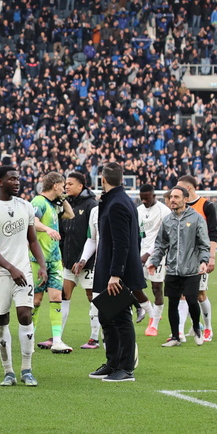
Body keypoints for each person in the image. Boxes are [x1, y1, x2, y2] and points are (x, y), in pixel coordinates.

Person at [0, 166, 48, 387]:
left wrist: (42, 266)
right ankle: (8, 371)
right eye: (12, 179)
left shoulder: (26, 207)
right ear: (0, 181)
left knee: (25, 315)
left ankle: (27, 369)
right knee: (1, 320)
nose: (17, 182)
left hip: (23, 271)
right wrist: (10, 268)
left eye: (18, 178)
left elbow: (33, 240)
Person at [88, 162, 146, 382]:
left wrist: (116, 274)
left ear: (102, 179)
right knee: (106, 316)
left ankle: (126, 367)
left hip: (116, 272)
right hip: (109, 268)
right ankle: (112, 363)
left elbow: (122, 243)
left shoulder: (118, 204)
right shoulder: (115, 201)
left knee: (121, 318)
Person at [149, 186, 210, 347]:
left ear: (185, 199)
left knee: (191, 300)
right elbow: (161, 244)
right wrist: (154, 262)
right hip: (173, 269)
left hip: (191, 269)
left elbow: (204, 244)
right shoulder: (167, 220)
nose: (173, 200)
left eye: (176, 197)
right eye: (171, 197)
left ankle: (197, 328)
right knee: (173, 303)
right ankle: (175, 337)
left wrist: (204, 261)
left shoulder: (196, 218)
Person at [30, 172, 75, 354]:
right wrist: (47, 228)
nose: (64, 188)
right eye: (63, 185)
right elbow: (32, 221)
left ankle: (57, 340)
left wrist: (62, 199)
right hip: (37, 259)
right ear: (55, 185)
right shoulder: (38, 202)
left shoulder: (53, 204)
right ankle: (29, 338)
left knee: (56, 297)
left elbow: (70, 214)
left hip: (55, 259)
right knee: (36, 300)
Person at [58, 172, 99, 348]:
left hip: (88, 263)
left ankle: (95, 337)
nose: (66, 186)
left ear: (81, 186)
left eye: (70, 184)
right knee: (63, 296)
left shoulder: (92, 206)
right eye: (65, 184)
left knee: (92, 297)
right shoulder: (65, 205)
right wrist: (62, 256)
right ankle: (57, 336)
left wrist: (83, 259)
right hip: (68, 262)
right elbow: (62, 234)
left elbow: (94, 237)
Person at [177, 175, 217, 342]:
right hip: (182, 257)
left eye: (179, 187)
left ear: (189, 188)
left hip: (200, 256)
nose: (175, 190)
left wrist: (211, 257)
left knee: (200, 294)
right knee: (182, 294)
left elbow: (213, 234)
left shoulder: (206, 206)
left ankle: (208, 328)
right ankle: (180, 331)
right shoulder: (180, 207)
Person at [136, 184, 171, 337]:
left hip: (159, 255)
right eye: (141, 198)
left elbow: (163, 239)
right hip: (141, 254)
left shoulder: (164, 212)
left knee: (157, 288)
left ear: (154, 196)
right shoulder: (138, 211)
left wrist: (148, 255)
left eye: (147, 198)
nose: (144, 201)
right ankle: (150, 311)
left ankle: (154, 325)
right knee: (134, 286)